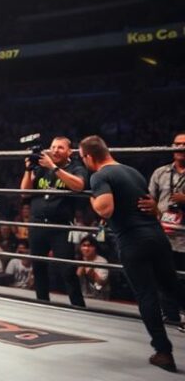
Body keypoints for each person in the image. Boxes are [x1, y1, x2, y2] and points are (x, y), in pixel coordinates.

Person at [81, 135, 185, 373]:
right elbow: (150, 206)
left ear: (88, 156)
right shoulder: (133, 172)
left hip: (132, 240)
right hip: (157, 237)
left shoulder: (100, 175)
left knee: (147, 295)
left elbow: (105, 209)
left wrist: (92, 199)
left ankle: (163, 352)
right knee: (172, 288)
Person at [20, 136, 88, 307]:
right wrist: (28, 170)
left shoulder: (76, 167)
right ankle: (42, 304)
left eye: (60, 148)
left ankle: (78, 307)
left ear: (69, 151)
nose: (55, 150)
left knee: (67, 269)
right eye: (53, 147)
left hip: (60, 226)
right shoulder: (41, 168)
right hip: (37, 224)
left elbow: (79, 186)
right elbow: (24, 193)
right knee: (39, 267)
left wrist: (54, 167)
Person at [149, 131, 185, 324]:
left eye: (184, 144)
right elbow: (149, 199)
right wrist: (155, 213)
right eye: (177, 144)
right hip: (163, 233)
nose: (180, 148)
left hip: (184, 237)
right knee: (163, 276)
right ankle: (170, 316)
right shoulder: (160, 172)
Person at [76, 235, 110, 300]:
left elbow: (101, 283)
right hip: (83, 295)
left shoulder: (102, 261)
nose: (86, 249)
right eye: (84, 245)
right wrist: (83, 264)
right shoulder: (79, 259)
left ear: (95, 248)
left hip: (99, 297)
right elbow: (77, 277)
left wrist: (91, 271)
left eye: (89, 246)